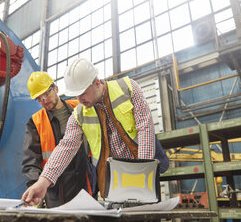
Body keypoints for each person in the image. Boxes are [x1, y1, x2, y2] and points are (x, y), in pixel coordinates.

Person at [22, 59, 169, 206]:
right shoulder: (80, 112)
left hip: (142, 168)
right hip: (113, 179)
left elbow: (145, 128)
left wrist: (143, 171)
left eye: (83, 93)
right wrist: (43, 182)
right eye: (76, 95)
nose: (79, 99)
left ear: (96, 82)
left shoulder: (128, 88)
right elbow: (66, 146)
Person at [22, 71, 93, 208]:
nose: (44, 100)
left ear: (56, 89)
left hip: (85, 181)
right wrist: (35, 187)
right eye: (39, 98)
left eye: (46, 94)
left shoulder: (79, 108)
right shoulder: (35, 122)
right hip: (56, 190)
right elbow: (30, 162)